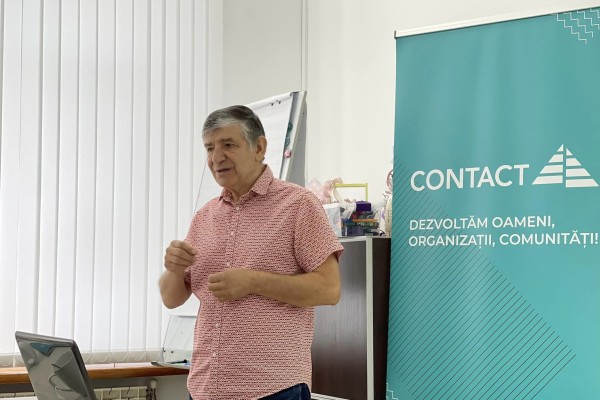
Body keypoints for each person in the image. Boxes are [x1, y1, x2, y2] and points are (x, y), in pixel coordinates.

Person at [159, 105, 344, 400]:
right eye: (209, 148)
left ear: (259, 147)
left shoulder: (298, 205)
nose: (216, 157)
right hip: (205, 388)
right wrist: (173, 268)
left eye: (228, 145)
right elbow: (172, 298)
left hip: (272, 390)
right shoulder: (205, 216)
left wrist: (253, 281)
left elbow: (329, 289)